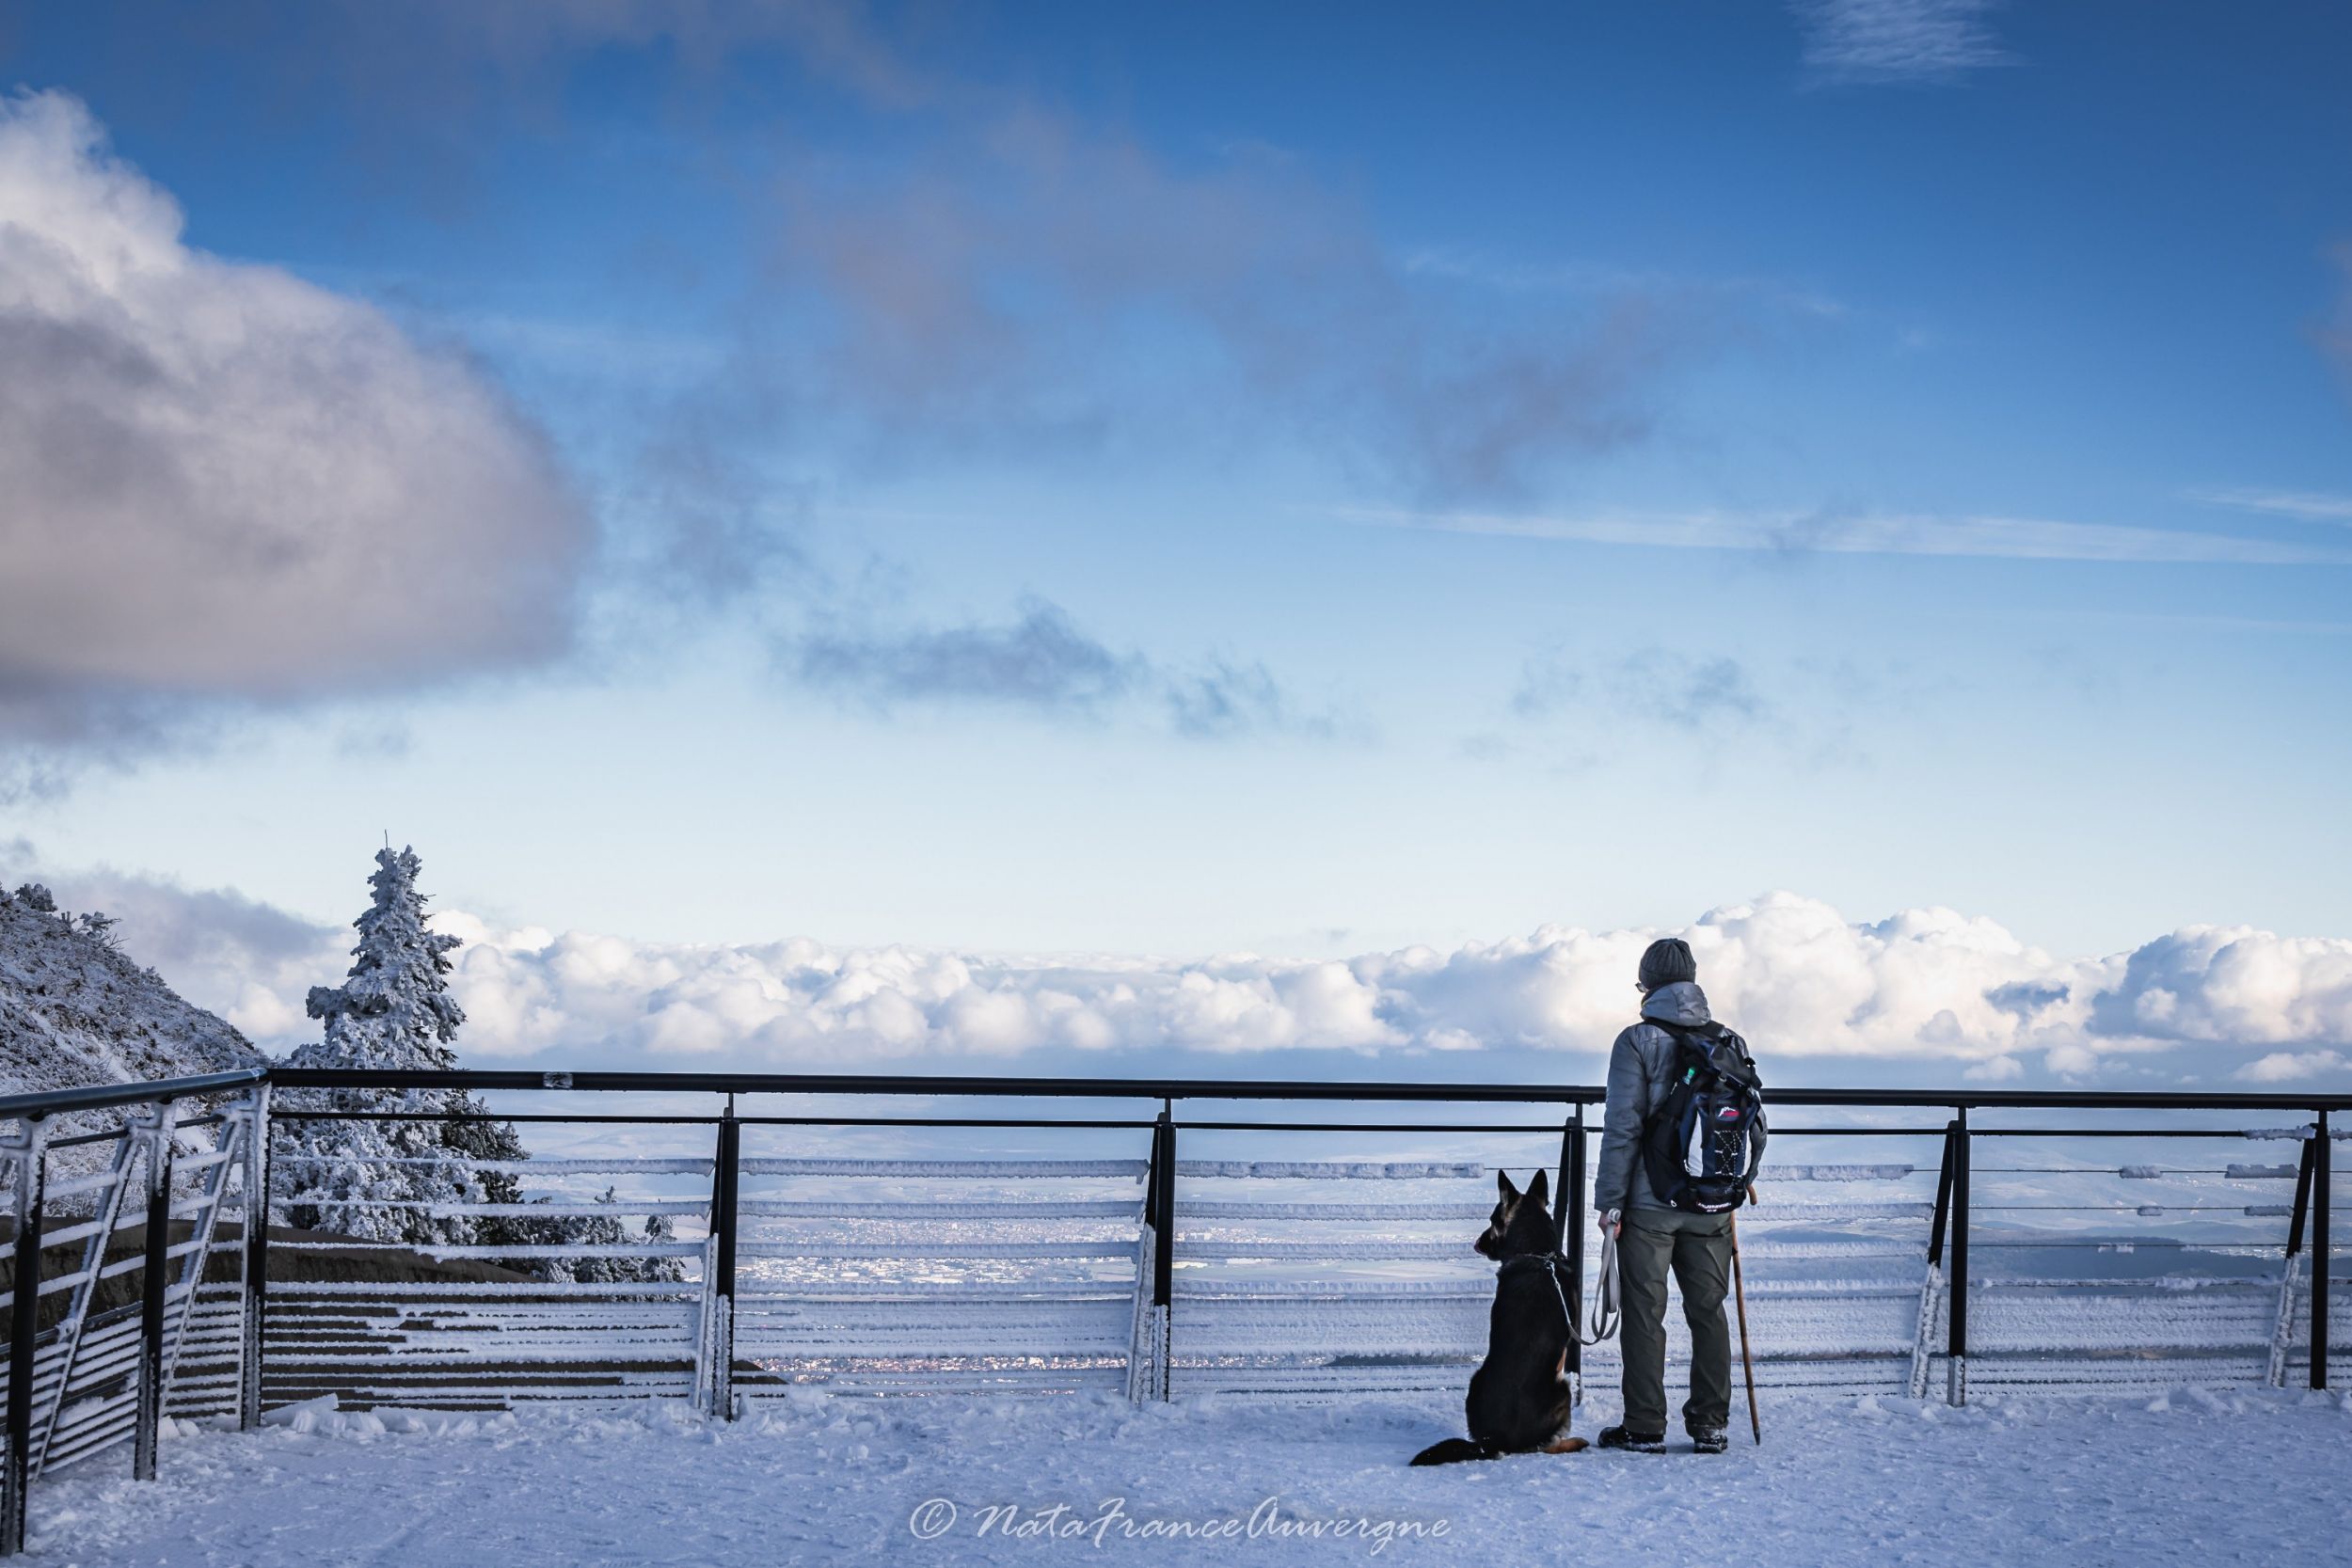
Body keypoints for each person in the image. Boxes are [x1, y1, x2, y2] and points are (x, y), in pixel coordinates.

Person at [1591, 936, 1762, 1455]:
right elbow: (1751, 1122)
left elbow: (1623, 1126)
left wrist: (1609, 1201)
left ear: (1647, 985)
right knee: (1709, 1312)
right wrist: (1736, 1180)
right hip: (1712, 1203)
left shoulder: (1636, 1040)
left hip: (1649, 1204)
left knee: (1645, 1314)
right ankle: (1710, 1425)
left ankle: (1644, 1426)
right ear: (1692, 979)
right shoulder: (1728, 1039)